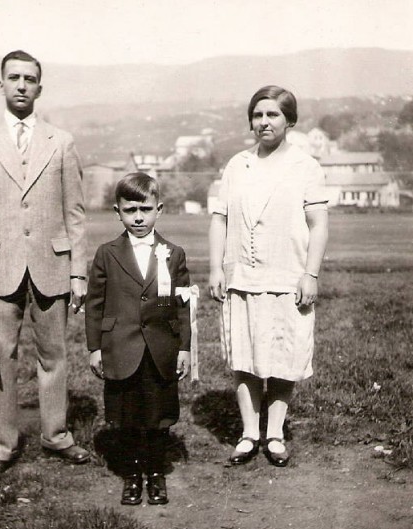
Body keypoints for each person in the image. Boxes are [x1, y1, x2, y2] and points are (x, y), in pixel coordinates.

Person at [0, 50, 90, 473]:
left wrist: (77, 271)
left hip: (52, 266)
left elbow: (75, 214)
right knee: (2, 356)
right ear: (0, 84)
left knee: (54, 355)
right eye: (13, 77)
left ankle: (56, 436)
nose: (21, 85)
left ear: (40, 86)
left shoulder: (61, 141)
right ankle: (1, 444)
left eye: (29, 78)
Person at [209, 85, 328, 467]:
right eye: (258, 115)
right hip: (242, 275)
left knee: (282, 358)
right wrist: (216, 268)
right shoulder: (237, 165)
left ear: (289, 120)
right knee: (244, 357)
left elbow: (318, 223)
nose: (264, 122)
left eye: (273, 114)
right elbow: (219, 219)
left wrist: (310, 274)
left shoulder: (305, 167)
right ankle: (248, 433)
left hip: (288, 275)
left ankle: (274, 433)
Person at [85, 172, 191, 506]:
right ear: (118, 212)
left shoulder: (173, 253)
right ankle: (132, 476)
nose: (139, 217)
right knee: (126, 415)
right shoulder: (107, 253)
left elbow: (181, 305)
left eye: (145, 208)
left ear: (159, 209)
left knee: (159, 415)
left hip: (161, 349)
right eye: (130, 210)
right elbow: (95, 305)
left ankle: (156, 473)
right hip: (121, 347)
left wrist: (184, 347)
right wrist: (94, 348)